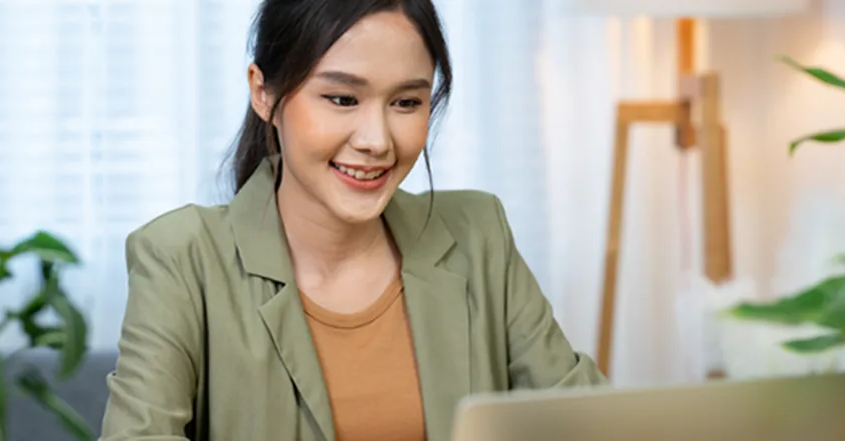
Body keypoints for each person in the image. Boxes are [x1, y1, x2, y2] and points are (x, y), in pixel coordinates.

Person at [100, 0, 609, 440]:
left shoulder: (478, 234)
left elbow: (585, 421)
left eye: (406, 103)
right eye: (342, 99)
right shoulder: (181, 256)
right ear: (264, 93)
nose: (377, 140)